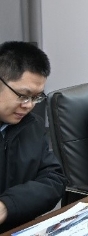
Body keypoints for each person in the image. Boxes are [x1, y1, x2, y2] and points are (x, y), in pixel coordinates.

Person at [0, 42, 67, 233]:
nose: (29, 105)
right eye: (23, 95)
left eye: (36, 97)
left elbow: (54, 180)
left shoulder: (31, 125)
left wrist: (7, 205)